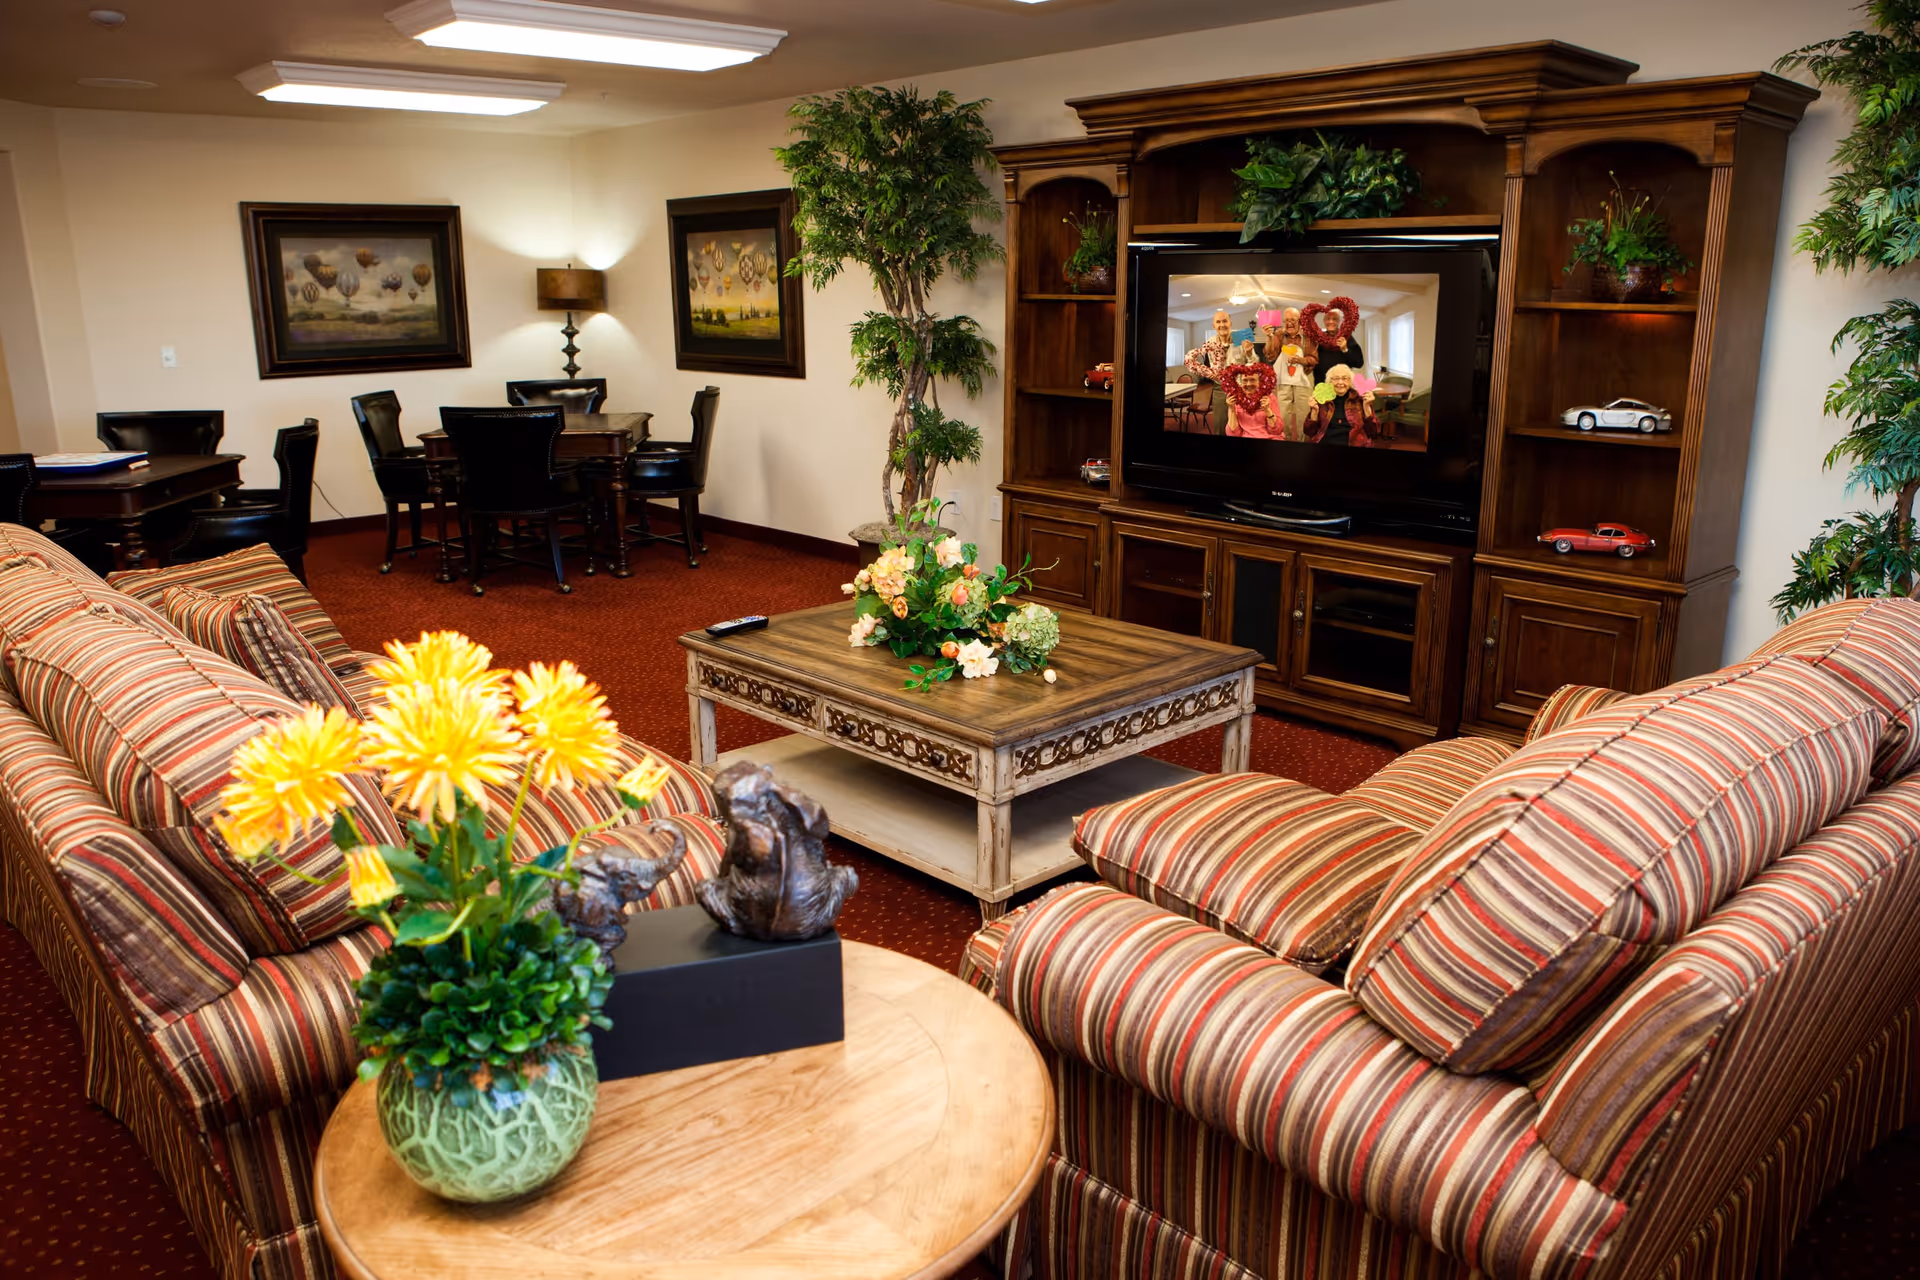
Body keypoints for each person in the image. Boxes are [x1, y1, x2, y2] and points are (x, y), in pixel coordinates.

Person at [1262, 308, 1316, 442]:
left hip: (1304, 378)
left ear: (1299, 321)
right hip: (1284, 380)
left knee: (1304, 414)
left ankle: (1303, 445)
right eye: (1286, 320)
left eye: (1292, 320)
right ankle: (1284, 443)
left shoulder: (1309, 335)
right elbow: (1269, 355)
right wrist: (1269, 337)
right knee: (1282, 413)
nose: (1289, 323)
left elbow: (1314, 359)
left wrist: (1301, 360)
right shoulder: (1279, 334)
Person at [1182, 309, 1236, 435]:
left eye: (1225, 321)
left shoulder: (1240, 338)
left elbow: (1252, 361)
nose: (1222, 324)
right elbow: (1212, 364)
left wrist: (1249, 352)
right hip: (1220, 387)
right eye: (1218, 322)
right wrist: (1209, 373)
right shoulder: (1211, 342)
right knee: (1220, 425)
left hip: (1241, 387)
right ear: (1214, 326)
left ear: (1230, 323)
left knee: (1243, 424)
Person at [1303, 363, 1380, 447]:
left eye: (1345, 378)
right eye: (1336, 378)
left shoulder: (1360, 399)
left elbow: (1373, 431)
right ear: (1329, 382)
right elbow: (1309, 432)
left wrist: (1366, 406)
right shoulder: (1322, 399)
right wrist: (1314, 411)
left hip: (1354, 443)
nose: (1340, 382)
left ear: (1350, 381)